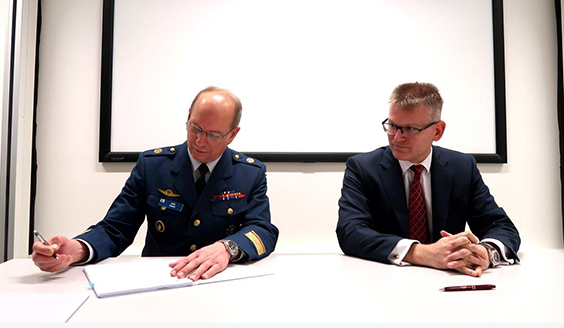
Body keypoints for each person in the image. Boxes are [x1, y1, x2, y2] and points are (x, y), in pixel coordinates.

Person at [32, 86, 279, 281]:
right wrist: (76, 249)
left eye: (213, 135)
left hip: (221, 282)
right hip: (161, 281)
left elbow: (263, 231)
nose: (200, 141)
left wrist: (228, 247)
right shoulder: (152, 166)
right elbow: (115, 228)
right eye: (194, 128)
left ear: (232, 134)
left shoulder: (249, 173)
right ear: (188, 118)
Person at [336, 82, 520, 277]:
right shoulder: (363, 168)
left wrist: (485, 251)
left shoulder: (462, 167)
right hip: (386, 280)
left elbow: (501, 227)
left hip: (450, 281)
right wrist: (421, 253)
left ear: (437, 131)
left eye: (410, 129)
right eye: (392, 126)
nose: (397, 138)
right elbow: (350, 232)